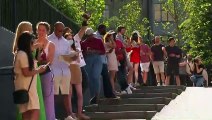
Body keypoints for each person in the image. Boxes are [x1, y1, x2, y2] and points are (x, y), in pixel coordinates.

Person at [12, 21, 46, 120]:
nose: (33, 43)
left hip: (26, 86)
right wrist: (39, 70)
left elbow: (35, 62)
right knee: (35, 111)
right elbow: (26, 73)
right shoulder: (22, 54)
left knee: (26, 112)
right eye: (32, 42)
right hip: (27, 87)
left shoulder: (24, 53)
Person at [48, 22, 76, 120]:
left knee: (67, 93)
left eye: (62, 31)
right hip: (54, 70)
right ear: (54, 29)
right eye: (59, 30)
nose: (61, 32)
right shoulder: (49, 40)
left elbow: (68, 55)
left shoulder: (65, 42)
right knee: (54, 94)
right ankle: (52, 115)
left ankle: (69, 114)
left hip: (65, 70)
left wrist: (72, 57)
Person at [64, 22, 90, 119]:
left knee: (80, 92)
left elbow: (78, 60)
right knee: (69, 93)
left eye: (71, 35)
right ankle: (71, 114)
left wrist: (76, 54)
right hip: (67, 69)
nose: (70, 37)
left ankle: (79, 113)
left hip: (77, 69)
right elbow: (63, 59)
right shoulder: (63, 46)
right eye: (68, 36)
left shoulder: (76, 43)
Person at [35, 22, 56, 120]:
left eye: (43, 30)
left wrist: (39, 59)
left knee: (47, 99)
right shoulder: (33, 42)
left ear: (48, 31)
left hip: (45, 74)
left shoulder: (50, 44)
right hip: (34, 75)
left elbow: (49, 61)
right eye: (39, 29)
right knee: (36, 99)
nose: (41, 32)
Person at [81, 27, 106, 104]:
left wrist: (95, 51)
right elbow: (82, 53)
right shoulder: (83, 43)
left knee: (96, 76)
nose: (91, 36)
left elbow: (103, 51)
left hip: (97, 59)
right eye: (89, 35)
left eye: (91, 35)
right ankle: (92, 97)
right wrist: (87, 52)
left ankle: (96, 95)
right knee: (89, 78)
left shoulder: (98, 41)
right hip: (88, 60)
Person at [94, 24, 118, 98]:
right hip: (99, 59)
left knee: (106, 76)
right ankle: (105, 94)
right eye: (104, 29)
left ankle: (109, 94)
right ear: (101, 29)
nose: (105, 30)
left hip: (103, 59)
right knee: (104, 76)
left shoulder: (100, 36)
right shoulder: (96, 36)